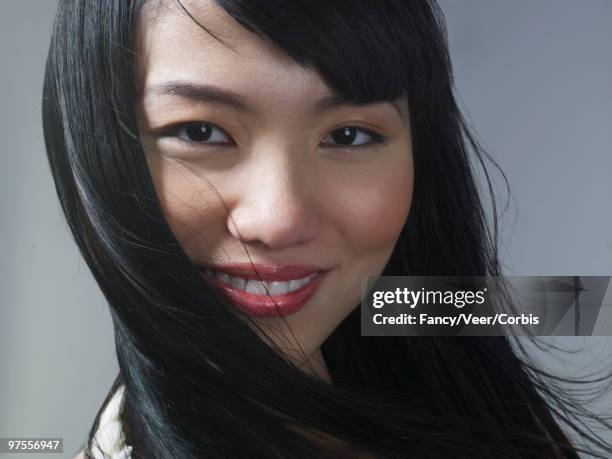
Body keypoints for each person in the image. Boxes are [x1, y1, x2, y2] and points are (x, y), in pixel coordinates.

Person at [43, 1, 611, 458]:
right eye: (200, 132)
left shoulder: (399, 320)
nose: (281, 219)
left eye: (347, 136)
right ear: (95, 146)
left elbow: (553, 304)